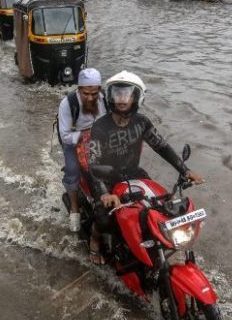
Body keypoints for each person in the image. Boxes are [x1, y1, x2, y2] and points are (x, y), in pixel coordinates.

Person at [88, 71, 205, 265]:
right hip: (106, 177)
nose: (121, 99)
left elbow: (162, 147)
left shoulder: (142, 122)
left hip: (134, 173)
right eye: (117, 94)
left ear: (136, 97)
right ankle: (94, 240)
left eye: (127, 94)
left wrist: (185, 170)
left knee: (163, 206)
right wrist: (104, 194)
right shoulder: (100, 126)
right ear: (110, 96)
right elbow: (93, 163)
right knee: (104, 218)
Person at [58, 68, 108, 233]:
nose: (90, 97)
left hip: (99, 138)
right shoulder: (68, 104)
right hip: (73, 138)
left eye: (94, 93)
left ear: (99, 90)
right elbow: (65, 135)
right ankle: (74, 207)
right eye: (85, 93)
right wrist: (85, 136)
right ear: (79, 89)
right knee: (72, 169)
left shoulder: (105, 100)